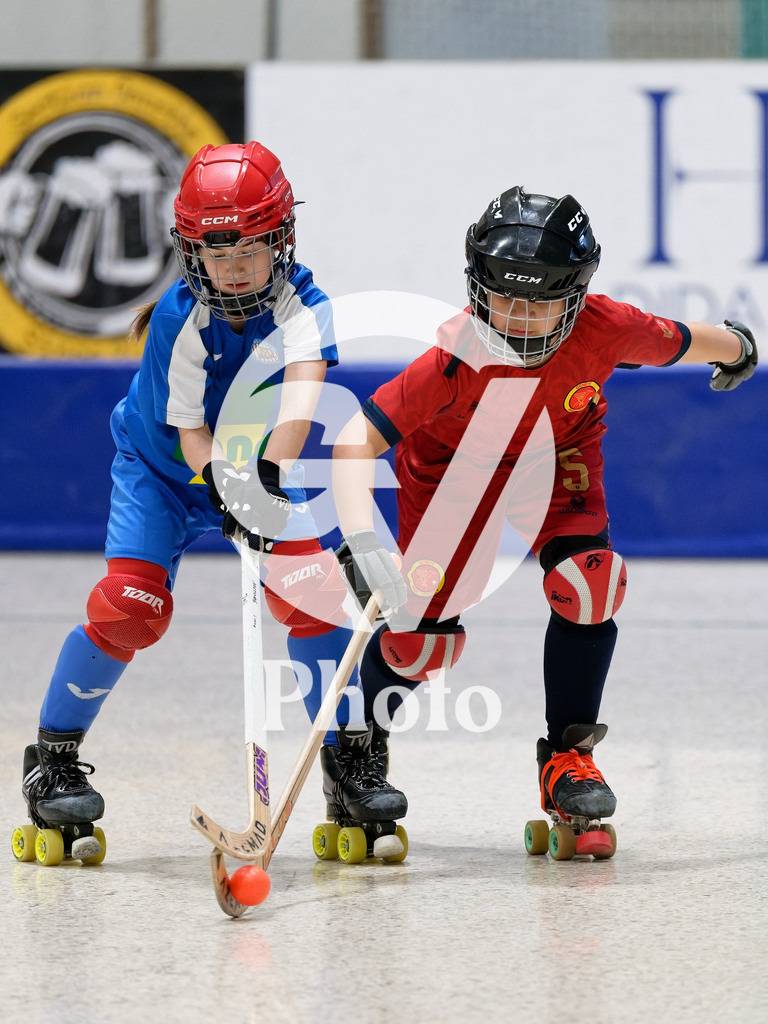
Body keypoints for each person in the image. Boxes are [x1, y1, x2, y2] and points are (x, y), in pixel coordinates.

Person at [332, 185, 758, 857]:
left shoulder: (606, 327)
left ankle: (568, 756)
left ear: (578, 297)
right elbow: (358, 441)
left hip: (557, 462)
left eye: (540, 303)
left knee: (593, 583)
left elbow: (681, 340)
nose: (518, 319)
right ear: (478, 288)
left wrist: (736, 346)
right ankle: (357, 751)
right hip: (453, 478)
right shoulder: (453, 357)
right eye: (503, 298)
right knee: (425, 644)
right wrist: (360, 541)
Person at [17, 141, 402, 865]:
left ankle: (351, 762)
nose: (231, 269)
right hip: (163, 473)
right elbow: (188, 432)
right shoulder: (178, 319)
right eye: (213, 253)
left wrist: (263, 471)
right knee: (130, 608)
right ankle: (52, 759)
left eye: (247, 251)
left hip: (256, 469)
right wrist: (224, 481)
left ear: (282, 240)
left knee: (314, 600)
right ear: (190, 252)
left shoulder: (305, 307)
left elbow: (301, 392)